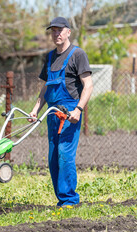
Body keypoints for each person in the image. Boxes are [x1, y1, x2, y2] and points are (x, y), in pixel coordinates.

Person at [29, 17, 93, 207]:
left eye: (59, 30)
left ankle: (70, 200)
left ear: (68, 32)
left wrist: (79, 109)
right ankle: (62, 199)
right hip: (52, 114)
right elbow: (45, 88)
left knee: (65, 155)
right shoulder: (50, 57)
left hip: (69, 114)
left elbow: (88, 86)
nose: (56, 34)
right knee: (53, 158)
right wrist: (35, 109)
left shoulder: (77, 54)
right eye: (53, 31)